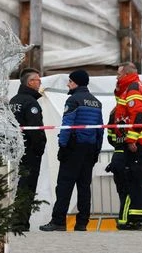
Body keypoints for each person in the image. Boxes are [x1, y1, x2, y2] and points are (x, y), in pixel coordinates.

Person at [40, 69, 103, 232]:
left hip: (73, 148)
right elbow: (100, 130)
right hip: (90, 149)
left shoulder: (73, 100)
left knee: (64, 186)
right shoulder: (96, 102)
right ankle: (82, 223)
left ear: (76, 82)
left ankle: (58, 222)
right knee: (84, 187)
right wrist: (96, 150)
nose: (68, 84)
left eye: (70, 81)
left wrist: (63, 145)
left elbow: (67, 125)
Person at [113, 61, 142, 230]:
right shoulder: (136, 86)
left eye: (118, 74)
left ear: (126, 74)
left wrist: (131, 139)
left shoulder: (133, 88)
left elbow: (137, 115)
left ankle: (136, 220)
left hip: (138, 142)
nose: (117, 76)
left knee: (135, 181)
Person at [9, 68, 47, 231]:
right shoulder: (31, 103)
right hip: (29, 150)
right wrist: (39, 148)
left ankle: (17, 221)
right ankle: (21, 222)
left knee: (17, 185)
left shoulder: (14, 100)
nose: (40, 83)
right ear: (30, 83)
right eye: (37, 80)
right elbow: (35, 129)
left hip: (15, 149)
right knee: (27, 186)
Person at [105, 107, 129, 218]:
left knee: (121, 191)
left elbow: (110, 137)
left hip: (117, 157)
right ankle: (124, 219)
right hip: (128, 156)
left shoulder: (113, 113)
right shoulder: (132, 110)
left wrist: (118, 144)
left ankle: (122, 218)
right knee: (129, 191)